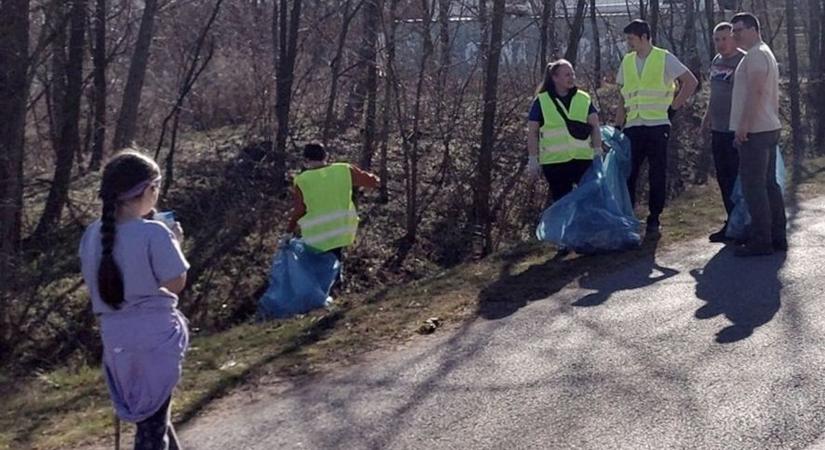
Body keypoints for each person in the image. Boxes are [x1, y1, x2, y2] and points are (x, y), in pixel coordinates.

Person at [79, 150, 189, 449]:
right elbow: (175, 283)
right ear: (147, 190)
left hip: (116, 340)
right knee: (152, 431)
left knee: (153, 419)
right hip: (154, 338)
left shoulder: (91, 235)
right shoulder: (154, 233)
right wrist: (175, 245)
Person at [615, 19, 698, 235]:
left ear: (644, 37)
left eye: (632, 39)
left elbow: (690, 82)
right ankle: (628, 217)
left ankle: (654, 218)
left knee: (657, 173)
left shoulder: (664, 58)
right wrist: (618, 124)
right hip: (633, 125)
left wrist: (673, 108)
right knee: (629, 173)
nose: (629, 43)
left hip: (657, 124)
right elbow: (623, 96)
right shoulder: (627, 61)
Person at [729, 12, 786, 256]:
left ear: (754, 29)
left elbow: (756, 92)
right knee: (768, 185)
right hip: (766, 127)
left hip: (756, 130)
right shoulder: (761, 53)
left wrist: (743, 126)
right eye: (733, 31)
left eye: (739, 30)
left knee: (755, 188)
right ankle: (776, 236)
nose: (735, 35)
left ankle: (762, 240)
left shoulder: (756, 55)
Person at [285, 143, 380, 289]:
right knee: (335, 254)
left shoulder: (302, 180)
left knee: (319, 264)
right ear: (326, 156)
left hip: (316, 234)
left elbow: (299, 210)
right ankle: (336, 284)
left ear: (305, 160)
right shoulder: (343, 170)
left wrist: (289, 230)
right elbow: (373, 181)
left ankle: (323, 290)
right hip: (342, 228)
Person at [527, 59, 603, 206]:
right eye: (567, 75)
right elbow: (532, 132)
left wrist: (597, 151)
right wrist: (533, 159)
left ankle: (583, 229)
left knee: (586, 203)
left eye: (572, 74)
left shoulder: (584, 98)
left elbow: (595, 126)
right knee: (563, 203)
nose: (572, 78)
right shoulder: (541, 101)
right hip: (555, 163)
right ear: (555, 78)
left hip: (582, 161)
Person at [702, 22, 746, 242]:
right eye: (717, 40)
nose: (721, 44)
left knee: (740, 178)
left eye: (724, 38)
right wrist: (708, 116)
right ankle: (731, 221)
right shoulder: (716, 61)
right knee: (724, 177)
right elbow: (715, 92)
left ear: (733, 38)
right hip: (718, 128)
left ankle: (745, 224)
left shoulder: (743, 60)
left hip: (736, 129)